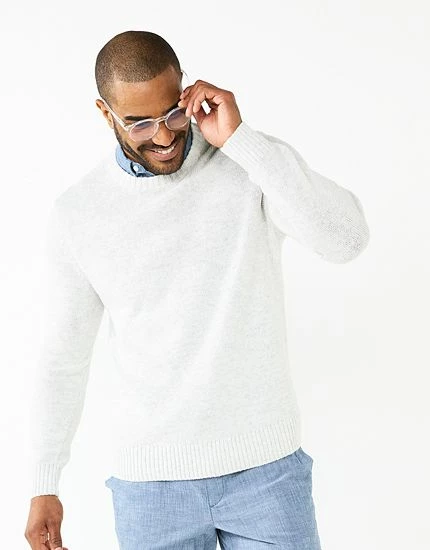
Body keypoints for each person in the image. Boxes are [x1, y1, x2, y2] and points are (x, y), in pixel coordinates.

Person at [24, 30, 370, 550]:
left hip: (267, 473)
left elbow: (347, 241)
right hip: (151, 490)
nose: (163, 136)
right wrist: (44, 481)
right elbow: (63, 356)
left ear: (186, 89)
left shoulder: (248, 163)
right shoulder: (80, 213)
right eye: (139, 123)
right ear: (105, 113)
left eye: (172, 113)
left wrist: (241, 140)